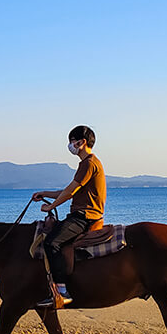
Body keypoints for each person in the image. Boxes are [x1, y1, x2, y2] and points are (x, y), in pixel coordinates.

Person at [30, 125, 106, 309]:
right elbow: (66, 191)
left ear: (83, 142)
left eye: (73, 141)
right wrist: (44, 193)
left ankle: (61, 292)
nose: (71, 145)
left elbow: (71, 192)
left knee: (51, 242)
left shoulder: (89, 163)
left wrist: (51, 206)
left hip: (85, 217)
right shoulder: (87, 164)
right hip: (82, 214)